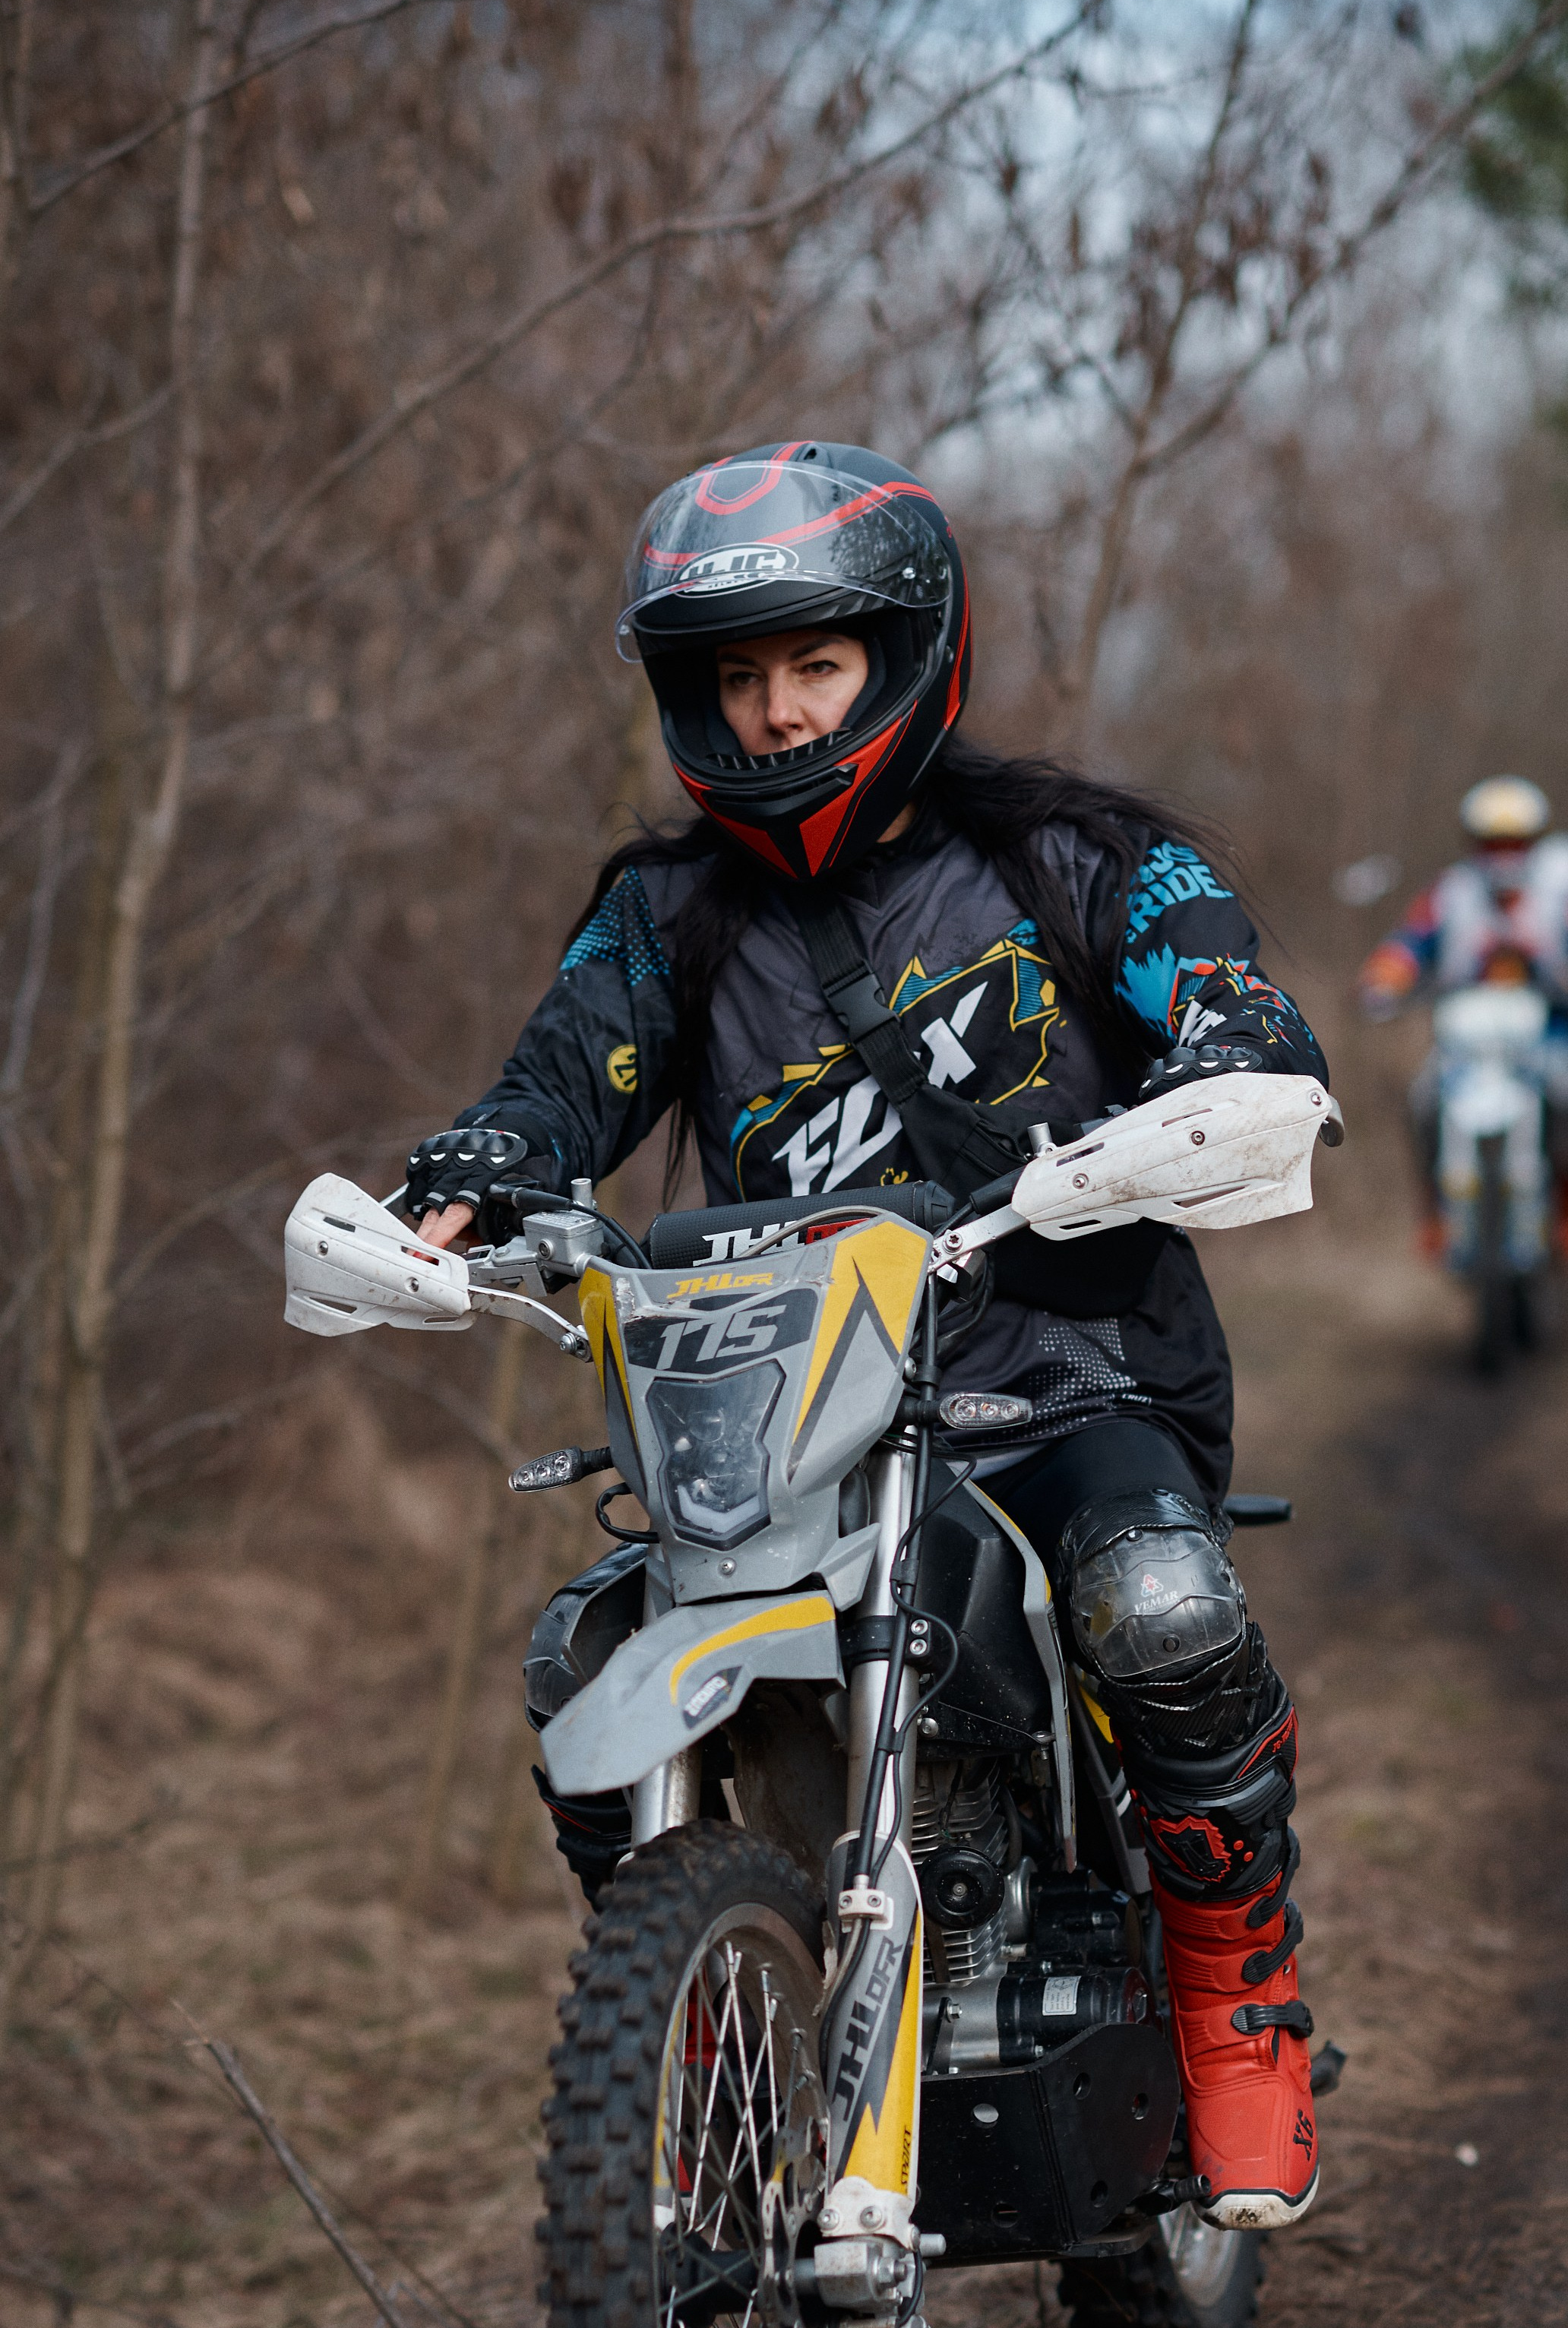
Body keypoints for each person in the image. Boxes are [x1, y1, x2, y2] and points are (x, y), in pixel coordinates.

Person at [406, 440, 1328, 2229]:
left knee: (1159, 1607)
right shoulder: (665, 915)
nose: (770, 714)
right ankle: (711, 2017)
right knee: (577, 1648)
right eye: (735, 678)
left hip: (1071, 1378)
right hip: (789, 1407)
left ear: (902, 655)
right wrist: (482, 1174)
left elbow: (1220, 990)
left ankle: (1235, 1998)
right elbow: (557, 1078)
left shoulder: (1069, 858)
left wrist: (1226, 1047)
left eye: (810, 666)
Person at [1357, 775, 1568, 1264]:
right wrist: (1383, 979)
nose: (1504, 855)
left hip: (1547, 1033)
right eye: (1493, 842)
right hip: (1465, 1041)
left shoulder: (1562, 896)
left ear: (1534, 843)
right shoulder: (1449, 895)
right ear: (1474, 844)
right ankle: (1437, 1212)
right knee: (1424, 1100)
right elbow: (1407, 945)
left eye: (1516, 842)